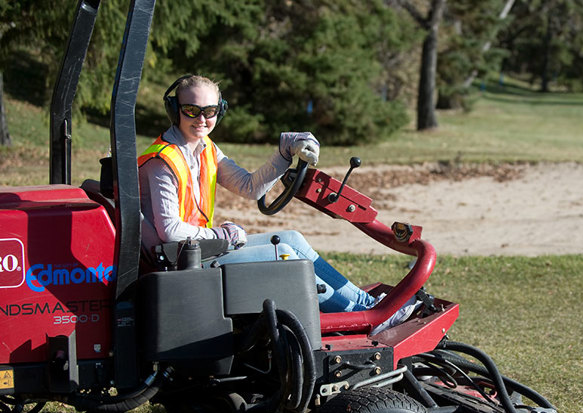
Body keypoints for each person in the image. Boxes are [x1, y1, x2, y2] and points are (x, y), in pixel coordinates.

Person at [138, 75, 417, 328]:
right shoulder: (164, 161)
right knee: (282, 253)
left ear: (219, 111)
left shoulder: (204, 148)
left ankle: (371, 309)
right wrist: (220, 235)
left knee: (292, 239)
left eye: (209, 112)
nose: (201, 119)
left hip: (197, 250)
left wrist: (285, 152)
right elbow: (170, 231)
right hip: (179, 262)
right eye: (191, 111)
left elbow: (249, 187)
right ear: (175, 110)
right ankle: (364, 319)